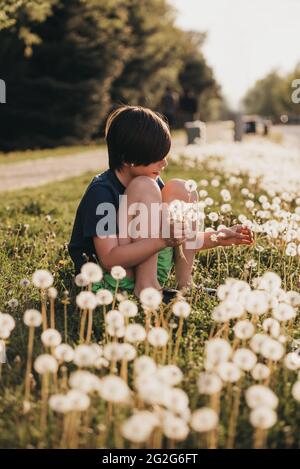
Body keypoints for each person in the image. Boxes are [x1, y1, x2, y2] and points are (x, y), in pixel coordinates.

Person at [68, 105, 252, 302]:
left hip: (145, 264)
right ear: (128, 158)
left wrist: (217, 237)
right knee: (144, 187)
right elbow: (110, 258)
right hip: (108, 279)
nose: (164, 164)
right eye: (156, 157)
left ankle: (185, 286)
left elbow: (178, 237)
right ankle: (147, 289)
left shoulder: (152, 183)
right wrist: (161, 241)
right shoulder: (102, 193)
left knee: (182, 189)